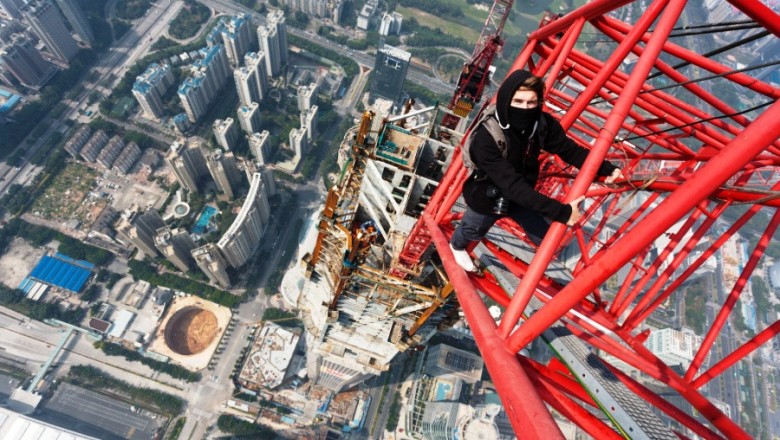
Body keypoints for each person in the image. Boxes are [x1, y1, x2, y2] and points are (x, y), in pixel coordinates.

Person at [450, 69, 623, 272]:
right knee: (472, 228)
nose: (525, 108)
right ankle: (456, 246)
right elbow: (512, 186)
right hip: (488, 195)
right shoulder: (486, 138)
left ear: (539, 103)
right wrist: (562, 212)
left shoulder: (541, 124)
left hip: (522, 196)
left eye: (531, 103)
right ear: (506, 101)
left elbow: (569, 151)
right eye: (519, 102)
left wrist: (605, 169)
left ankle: (542, 272)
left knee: (546, 236)